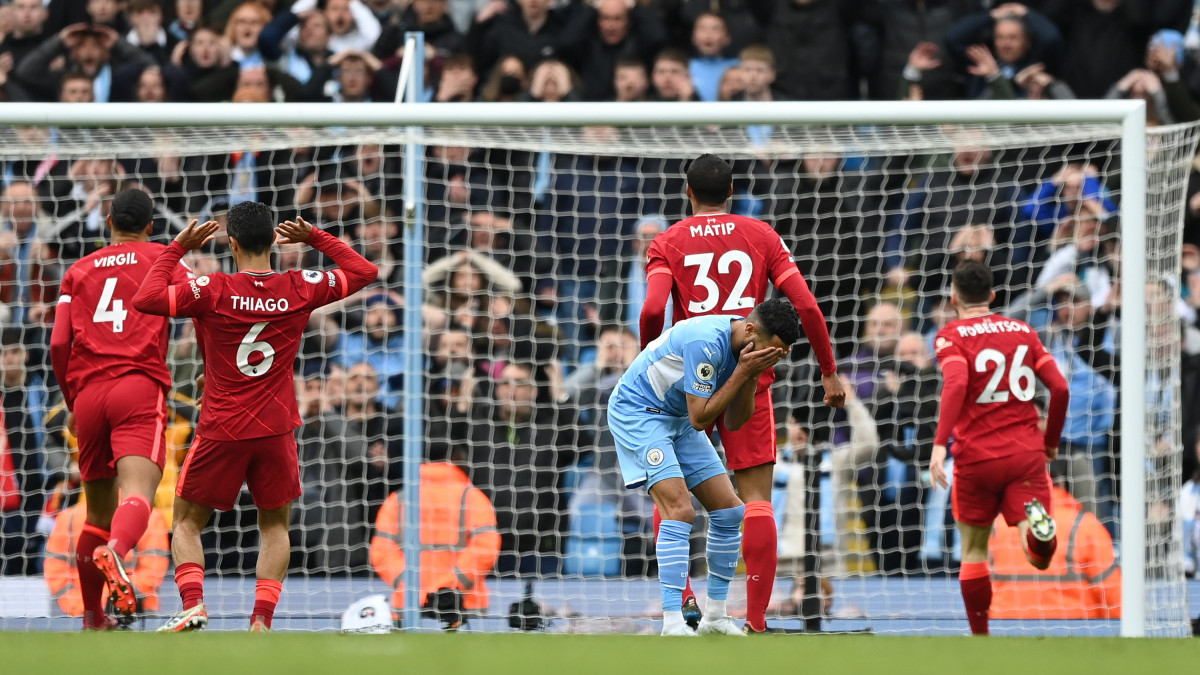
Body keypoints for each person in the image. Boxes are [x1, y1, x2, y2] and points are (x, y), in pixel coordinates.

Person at [132, 205, 377, 632]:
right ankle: (261, 622)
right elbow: (364, 272)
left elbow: (146, 298)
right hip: (276, 427)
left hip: (222, 427)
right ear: (275, 242)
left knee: (188, 521)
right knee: (274, 524)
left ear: (232, 243)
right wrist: (316, 237)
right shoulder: (300, 286)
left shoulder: (213, 288)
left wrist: (176, 248)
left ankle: (193, 605)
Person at [639, 153, 843, 633]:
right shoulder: (761, 235)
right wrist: (828, 370)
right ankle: (754, 620)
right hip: (752, 372)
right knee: (755, 499)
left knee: (672, 497)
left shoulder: (667, 240)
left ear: (687, 192)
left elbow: (651, 308)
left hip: (689, 377)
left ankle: (685, 604)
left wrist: (649, 354)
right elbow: (805, 304)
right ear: (732, 190)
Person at [609, 299, 800, 636]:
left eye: (778, 355)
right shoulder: (706, 342)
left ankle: (714, 617)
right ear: (751, 330)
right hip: (640, 412)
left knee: (729, 511)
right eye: (770, 352)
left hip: (675, 418)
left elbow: (737, 422)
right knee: (680, 510)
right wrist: (742, 372)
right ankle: (672, 620)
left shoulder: (747, 350)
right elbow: (700, 419)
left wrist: (751, 375)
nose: (771, 359)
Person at [47, 189, 192, 630]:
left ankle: (93, 618)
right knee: (138, 495)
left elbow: (57, 343)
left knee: (94, 515)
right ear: (151, 225)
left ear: (108, 221)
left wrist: (73, 400)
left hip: (88, 395)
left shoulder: (78, 270)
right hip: (138, 386)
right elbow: (203, 303)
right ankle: (116, 550)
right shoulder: (164, 257)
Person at [929, 259, 1071, 636]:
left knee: (974, 550)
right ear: (992, 295)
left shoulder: (951, 335)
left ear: (953, 296)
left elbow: (956, 385)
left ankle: (981, 638)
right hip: (1026, 454)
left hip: (977, 458)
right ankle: (1039, 534)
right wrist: (1051, 442)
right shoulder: (1023, 331)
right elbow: (1060, 388)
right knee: (1038, 559)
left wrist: (940, 445)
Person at [369, 443, 501, 631]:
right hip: (464, 606)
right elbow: (486, 549)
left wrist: (413, 589)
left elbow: (382, 553)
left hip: (409, 604)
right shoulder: (473, 497)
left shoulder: (398, 499)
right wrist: (449, 587)